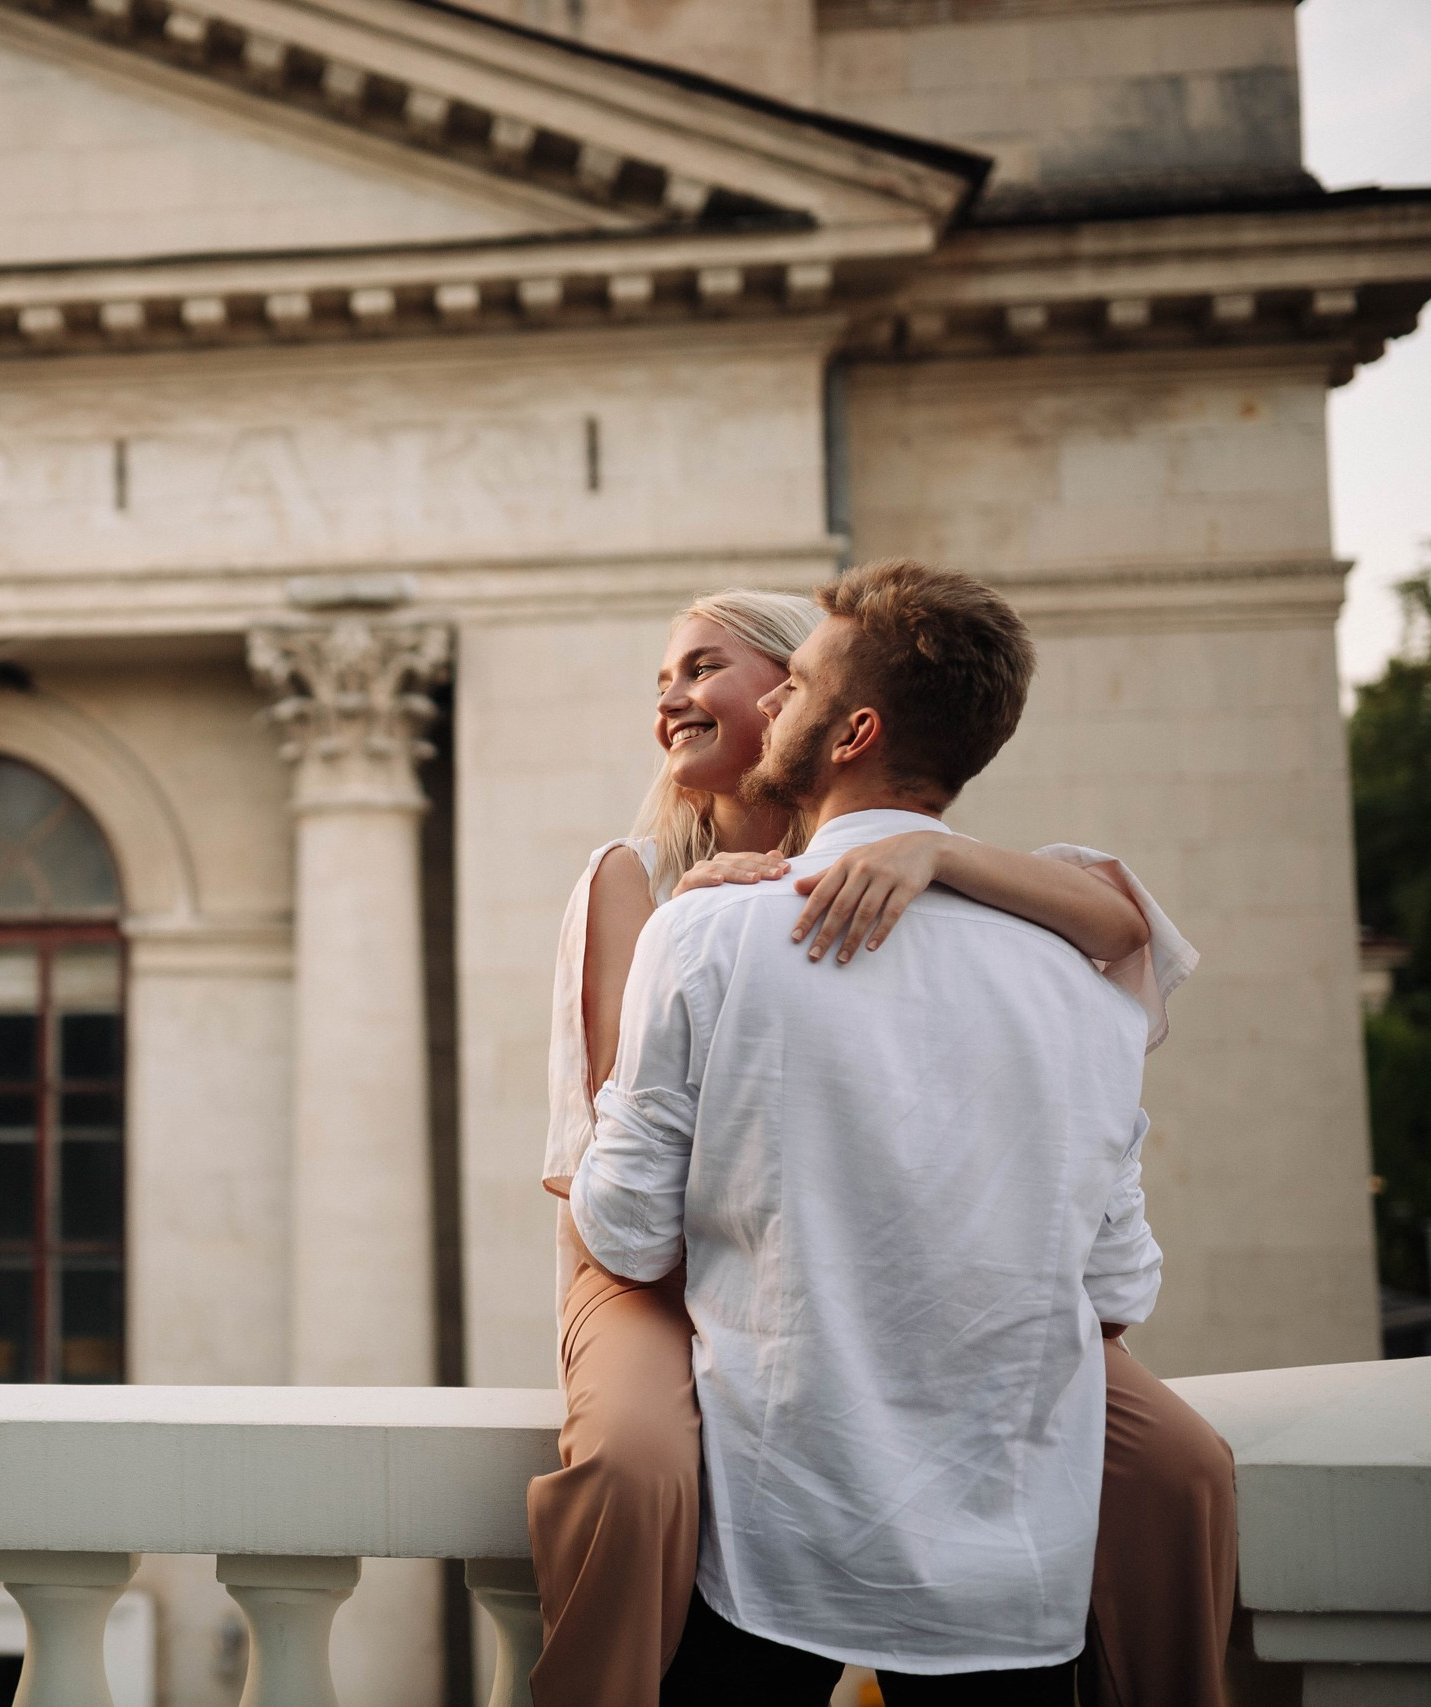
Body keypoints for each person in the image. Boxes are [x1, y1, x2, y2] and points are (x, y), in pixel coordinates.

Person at [528, 578, 1235, 1707]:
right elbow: (1114, 1279)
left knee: (1186, 1469)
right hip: (1004, 1574)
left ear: (832, 722)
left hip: (780, 1513)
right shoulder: (1079, 980)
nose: (671, 698)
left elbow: (636, 1211)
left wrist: (931, 859)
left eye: (765, 675)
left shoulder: (713, 934)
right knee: (634, 1465)